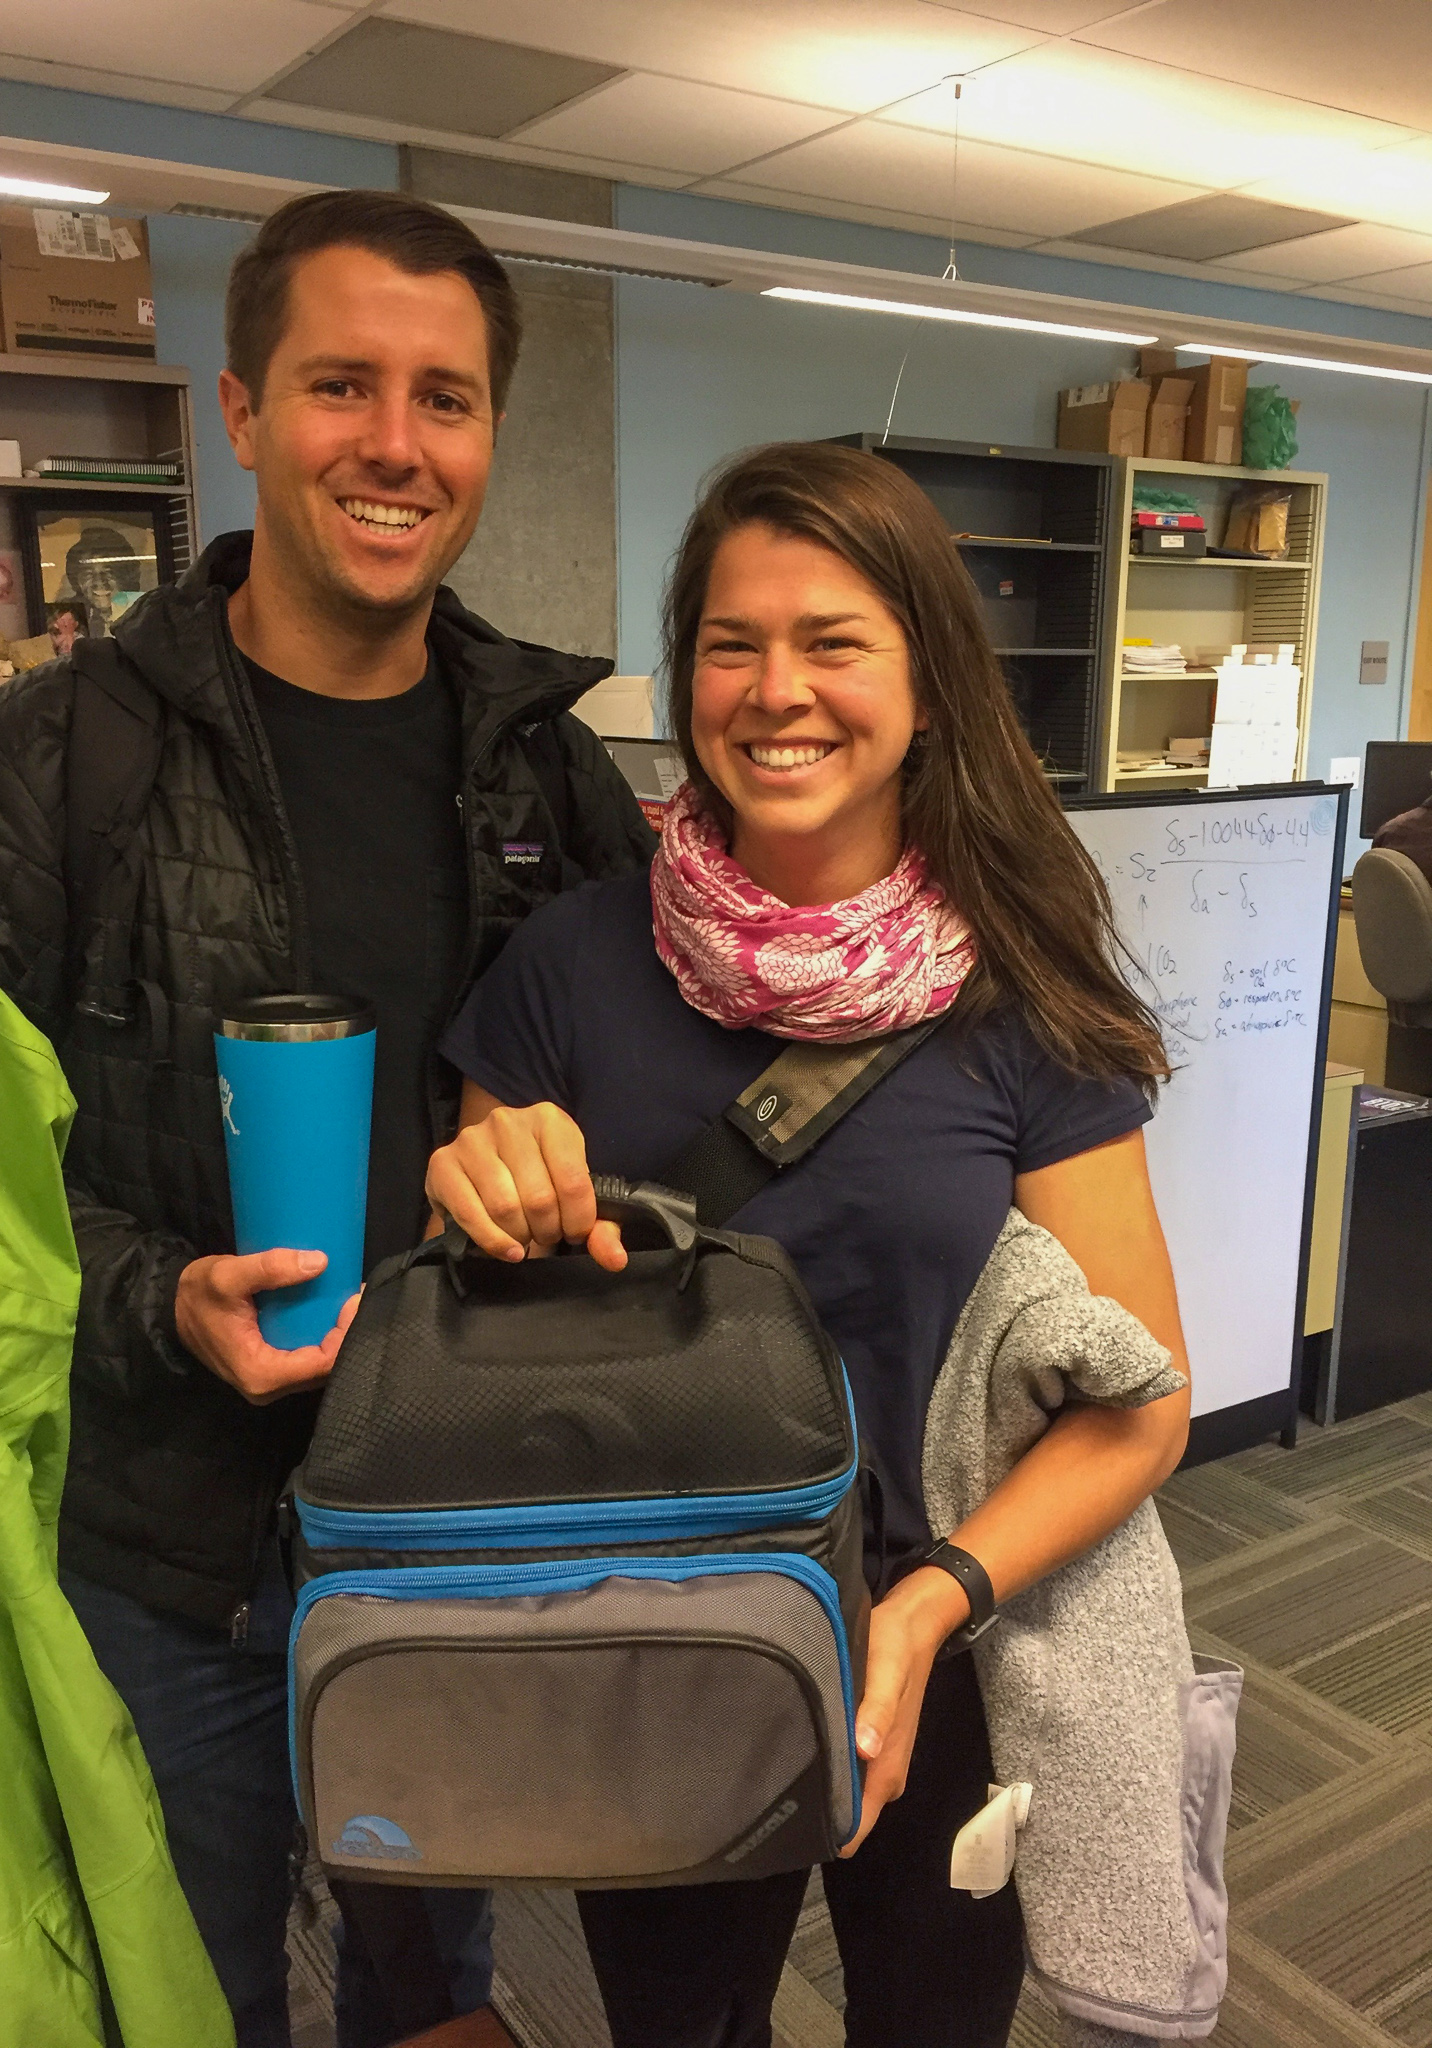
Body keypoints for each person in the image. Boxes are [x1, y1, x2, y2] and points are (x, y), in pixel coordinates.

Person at [0, 187, 654, 2047]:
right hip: (165, 1554)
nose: (395, 444)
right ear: (241, 410)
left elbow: (645, 1115)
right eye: (341, 385)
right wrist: (160, 1297)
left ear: (487, 435)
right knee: (185, 2000)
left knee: (434, 1992)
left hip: (442, 1530)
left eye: (444, 399)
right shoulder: (51, 764)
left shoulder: (549, 774)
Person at [429, 441, 1192, 2048]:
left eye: (834, 641)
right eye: (733, 643)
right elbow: (474, 1345)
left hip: (953, 1630)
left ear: (927, 680)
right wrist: (478, 1203)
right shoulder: (571, 964)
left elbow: (1143, 1404)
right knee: (681, 2027)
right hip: (656, 1637)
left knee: (934, 2021)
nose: (777, 691)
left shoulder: (1025, 991)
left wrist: (929, 1609)